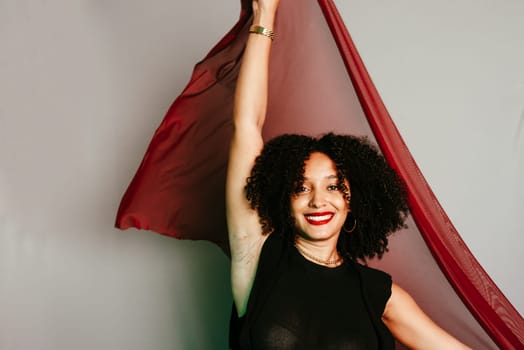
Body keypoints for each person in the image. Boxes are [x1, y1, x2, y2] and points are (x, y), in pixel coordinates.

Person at [226, 0, 472, 348]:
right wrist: (265, 15)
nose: (318, 200)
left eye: (333, 187)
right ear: (284, 198)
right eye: (301, 187)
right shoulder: (257, 253)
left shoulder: (377, 292)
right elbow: (246, 125)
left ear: (352, 199)